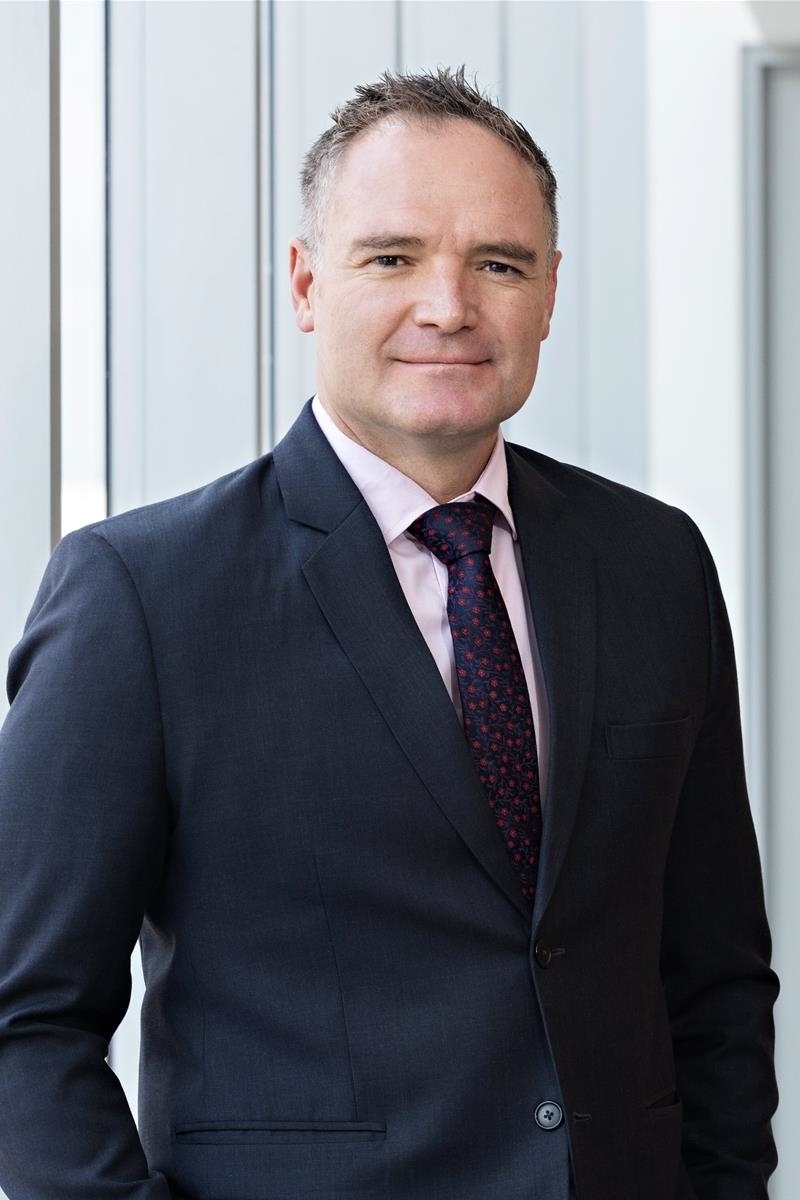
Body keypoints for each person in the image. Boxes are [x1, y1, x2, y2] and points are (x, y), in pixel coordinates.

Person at [0, 67, 777, 1200]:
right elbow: (25, 1016)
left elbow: (714, 978)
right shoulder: (143, 595)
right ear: (307, 283)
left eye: (498, 264)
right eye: (392, 258)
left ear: (549, 294)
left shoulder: (655, 563)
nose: (449, 306)